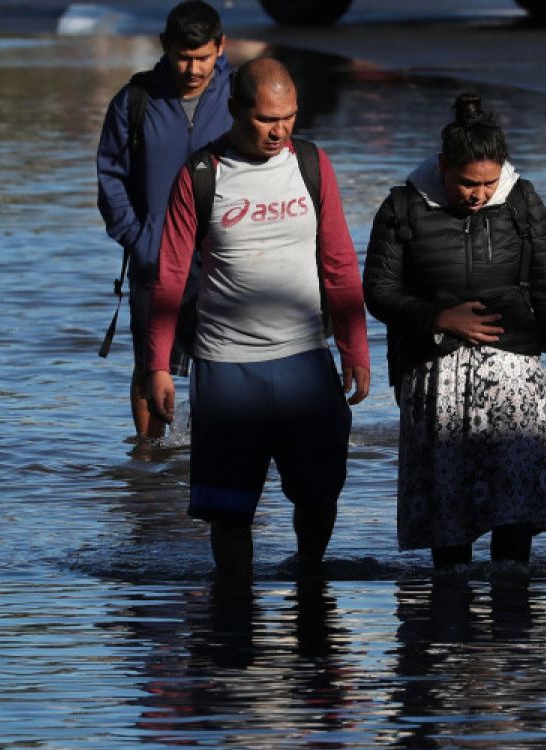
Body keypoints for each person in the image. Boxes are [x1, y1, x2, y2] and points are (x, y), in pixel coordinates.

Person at [147, 57, 371, 588]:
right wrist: (158, 365)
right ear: (234, 110)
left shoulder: (312, 165)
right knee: (229, 511)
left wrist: (355, 348)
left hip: (304, 361)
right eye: (267, 118)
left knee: (320, 494)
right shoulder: (201, 175)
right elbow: (171, 277)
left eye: (289, 116)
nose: (280, 130)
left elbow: (339, 263)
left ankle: (309, 583)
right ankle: (234, 615)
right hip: (227, 369)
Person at [363, 93, 546, 569]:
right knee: (447, 517)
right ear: (443, 166)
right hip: (435, 379)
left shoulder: (522, 201)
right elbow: (378, 291)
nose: (479, 194)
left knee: (513, 511)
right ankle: (448, 622)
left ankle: (512, 623)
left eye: (489, 183)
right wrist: (438, 317)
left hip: (512, 375)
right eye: (467, 184)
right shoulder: (403, 206)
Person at [96, 1, 232, 439]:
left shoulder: (240, 97)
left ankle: (222, 465)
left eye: (203, 58)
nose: (193, 68)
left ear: (220, 48)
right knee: (150, 369)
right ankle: (150, 472)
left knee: (228, 371)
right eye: (183, 56)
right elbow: (111, 179)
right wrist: (141, 242)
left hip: (225, 262)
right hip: (154, 262)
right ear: (164, 47)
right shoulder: (133, 100)